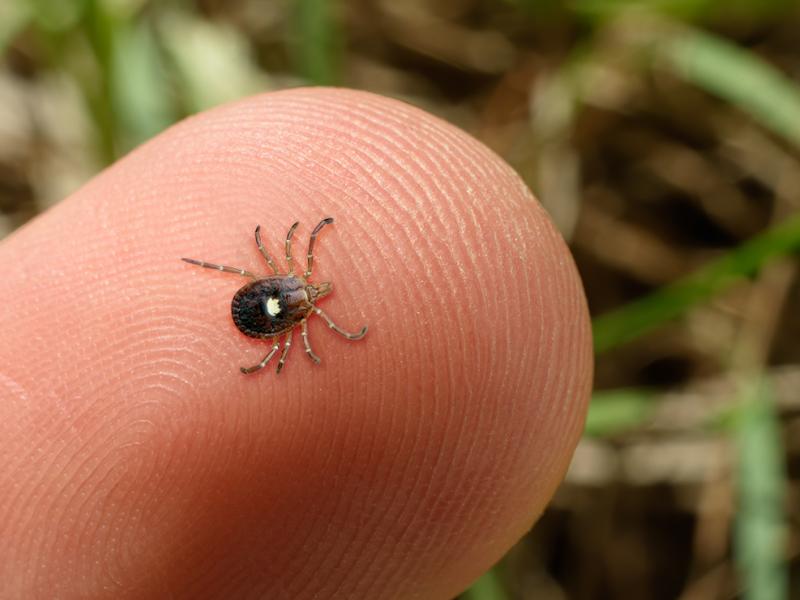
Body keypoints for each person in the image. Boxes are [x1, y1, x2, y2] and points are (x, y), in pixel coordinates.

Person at [0, 88, 592, 598]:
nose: (316, 290)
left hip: (258, 313)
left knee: (276, 300)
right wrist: (298, 321)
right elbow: (293, 299)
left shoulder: (297, 302)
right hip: (259, 312)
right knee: (277, 303)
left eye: (310, 290)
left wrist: (297, 316)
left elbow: (286, 283)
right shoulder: (296, 297)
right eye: (310, 284)